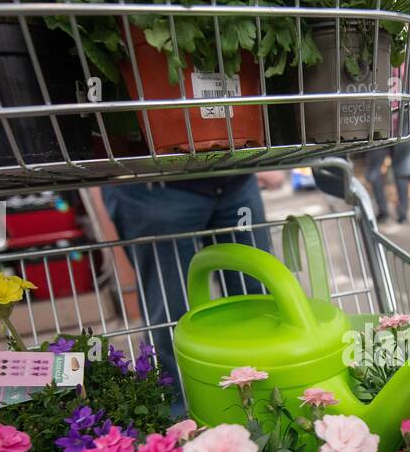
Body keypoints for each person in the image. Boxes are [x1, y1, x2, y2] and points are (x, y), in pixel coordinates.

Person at [100, 173, 280, 414]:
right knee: (170, 310)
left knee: (256, 297)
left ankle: (267, 400)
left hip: (235, 176)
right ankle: (181, 421)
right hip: (153, 184)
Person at [363, 146, 409, 224]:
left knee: (375, 172)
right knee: (401, 172)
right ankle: (403, 215)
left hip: (380, 136)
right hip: (401, 136)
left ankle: (383, 213)